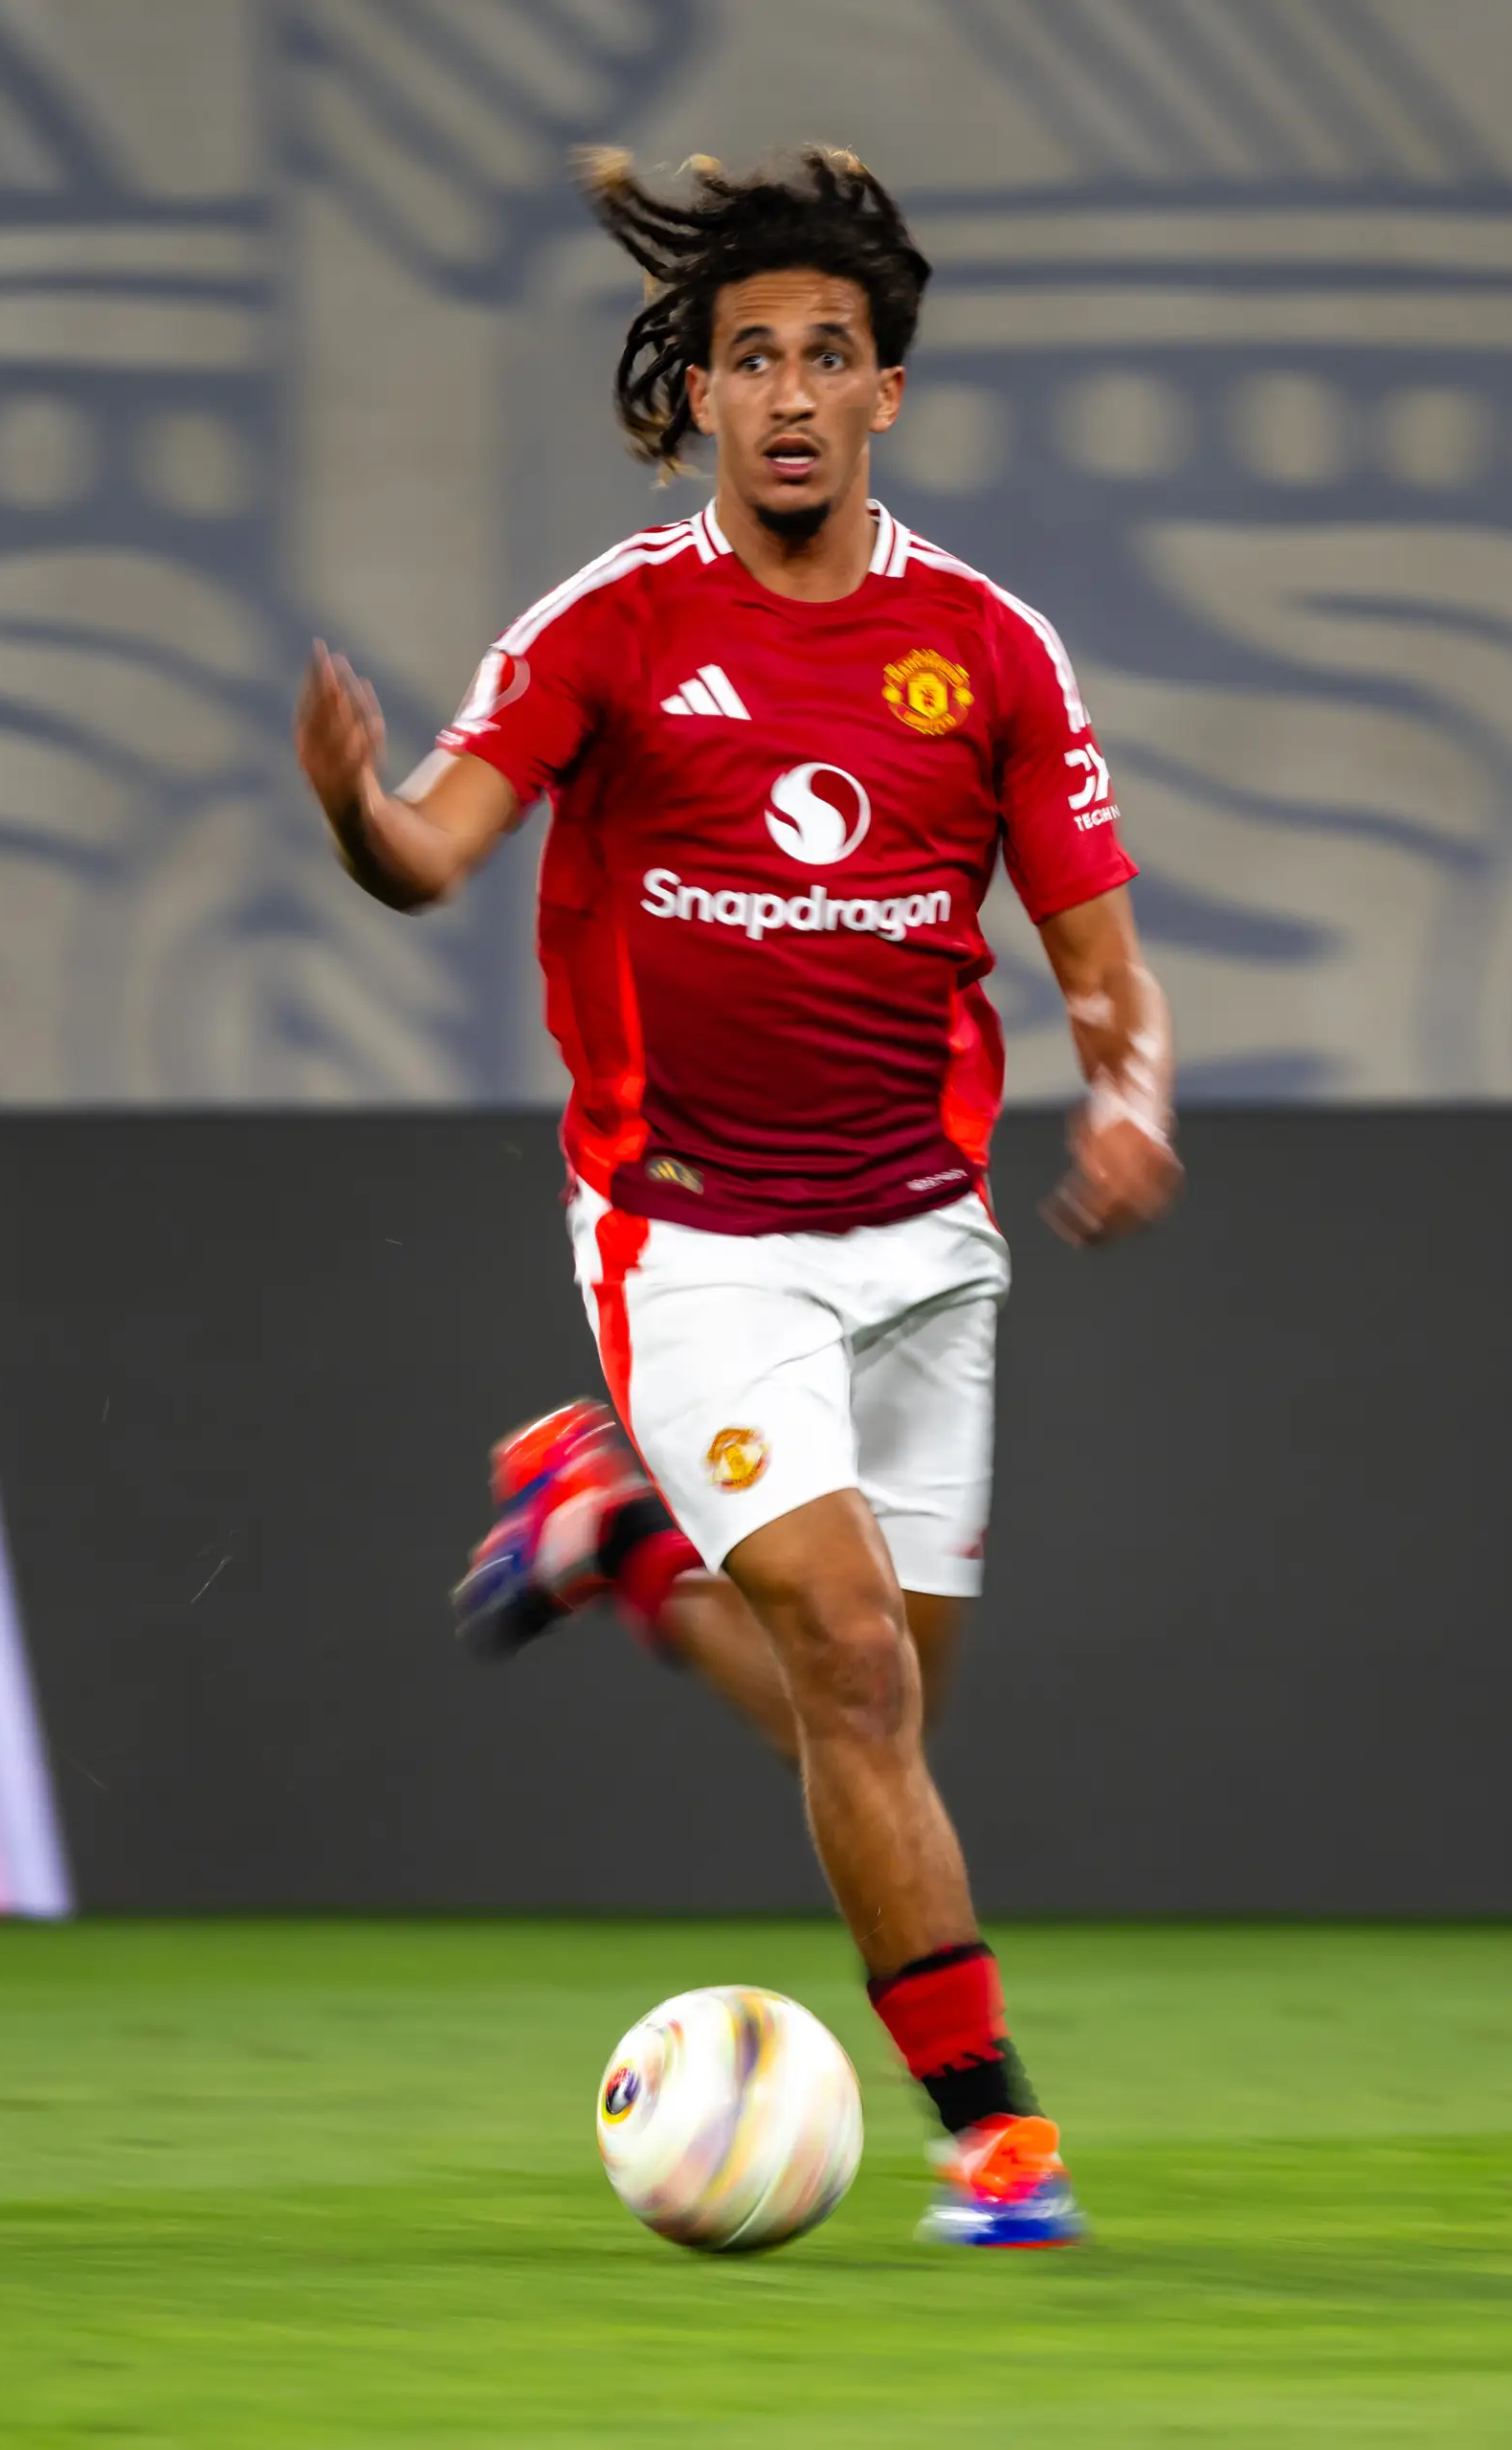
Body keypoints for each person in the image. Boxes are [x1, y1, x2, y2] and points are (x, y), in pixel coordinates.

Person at [293, 146, 1179, 2246]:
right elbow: (431, 852)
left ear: (889, 394)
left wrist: (1132, 1104)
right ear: (696, 392)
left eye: (829, 354)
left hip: (924, 1240)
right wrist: (349, 804)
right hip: (692, 1236)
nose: (787, 388)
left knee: (869, 1709)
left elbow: (1099, 967)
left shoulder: (991, 648)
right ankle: (997, 2135)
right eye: (748, 353)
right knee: (858, 1671)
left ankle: (603, 1524)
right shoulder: (614, 627)